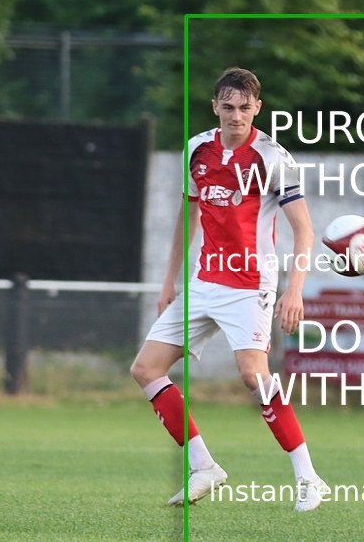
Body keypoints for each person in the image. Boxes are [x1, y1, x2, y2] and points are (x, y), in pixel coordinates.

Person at [130, 67, 329, 512]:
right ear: (215, 106)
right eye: (228, 106)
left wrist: (294, 291)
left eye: (244, 108)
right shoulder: (196, 150)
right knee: (146, 368)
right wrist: (169, 283)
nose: (236, 116)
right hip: (203, 281)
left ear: (257, 108)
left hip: (250, 283)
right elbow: (189, 216)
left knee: (252, 375)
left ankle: (308, 477)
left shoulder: (274, 158)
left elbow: (304, 232)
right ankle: (204, 466)